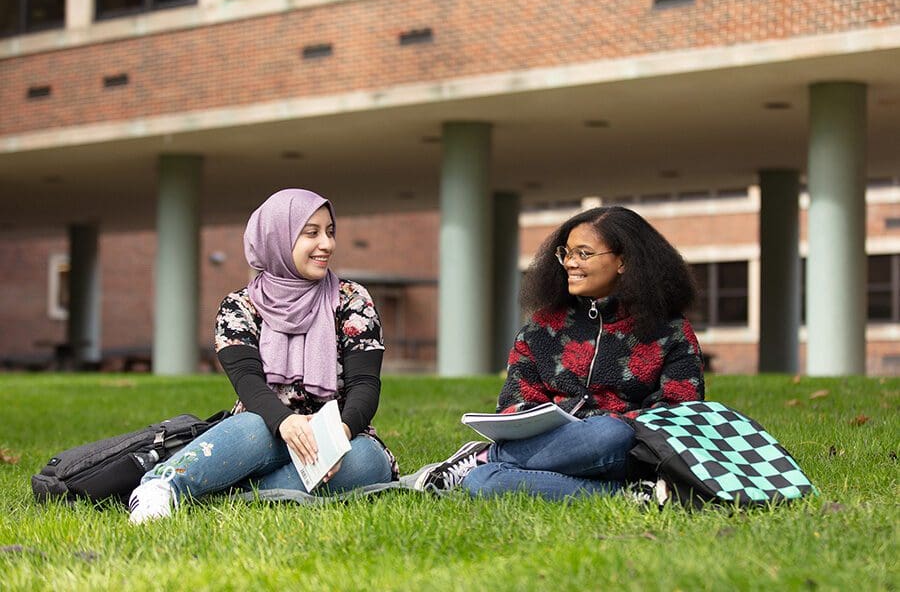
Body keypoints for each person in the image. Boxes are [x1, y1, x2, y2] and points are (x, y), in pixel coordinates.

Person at [128, 188, 397, 523]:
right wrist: (285, 422)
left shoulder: (352, 299)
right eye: (311, 233)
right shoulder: (239, 307)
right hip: (265, 430)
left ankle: (238, 495)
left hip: (337, 436)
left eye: (330, 232)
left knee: (370, 461)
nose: (326, 244)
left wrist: (339, 434)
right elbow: (248, 384)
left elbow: (365, 384)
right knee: (251, 427)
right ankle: (161, 487)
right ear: (277, 238)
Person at [414, 206, 704, 500]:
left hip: (626, 453)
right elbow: (515, 404)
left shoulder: (671, 331)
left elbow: (679, 414)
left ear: (623, 262)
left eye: (583, 254)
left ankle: (488, 457)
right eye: (566, 253)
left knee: (608, 433)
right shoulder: (540, 328)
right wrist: (558, 426)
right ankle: (628, 496)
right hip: (552, 451)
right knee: (483, 483)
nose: (569, 263)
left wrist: (605, 423)